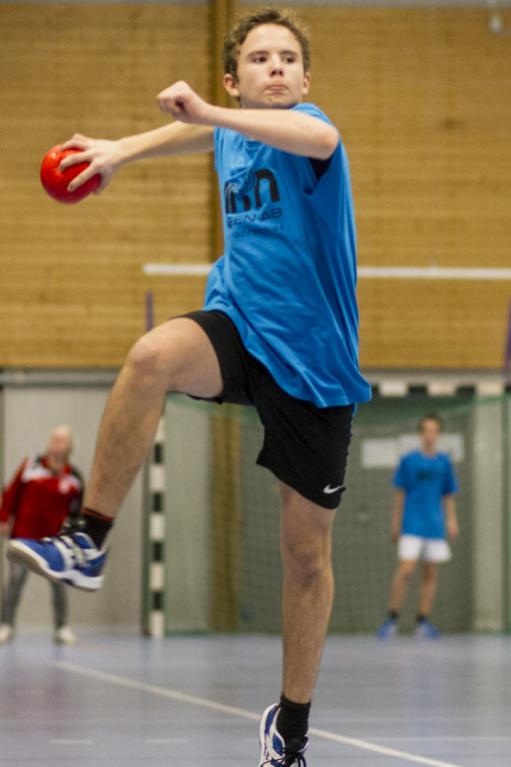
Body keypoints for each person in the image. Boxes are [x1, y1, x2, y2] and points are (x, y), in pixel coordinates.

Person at [8, 8, 371, 765]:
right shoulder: (230, 130)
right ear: (235, 79)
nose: (276, 66)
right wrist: (120, 150)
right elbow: (199, 136)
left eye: (288, 58)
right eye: (260, 59)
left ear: (305, 80)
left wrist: (207, 112)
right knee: (151, 356)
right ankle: (89, 539)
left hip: (315, 362)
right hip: (240, 326)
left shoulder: (309, 130)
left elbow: (313, 138)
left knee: (305, 554)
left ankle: (291, 729)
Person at [377, 414, 459, 640]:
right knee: (406, 570)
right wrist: (396, 523)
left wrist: (451, 520)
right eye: (426, 430)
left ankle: (423, 620)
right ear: (420, 433)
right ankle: (392, 618)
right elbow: (400, 494)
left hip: (435, 525)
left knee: (430, 572)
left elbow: (448, 494)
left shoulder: (444, 462)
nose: (430, 435)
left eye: (434, 430)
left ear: (438, 434)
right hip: (411, 523)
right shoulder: (409, 461)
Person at [0, 426, 83, 645]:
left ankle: (62, 628)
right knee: (14, 582)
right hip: (23, 537)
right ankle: (6, 625)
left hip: (53, 543)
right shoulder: (31, 465)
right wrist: (3, 518)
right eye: (53, 439)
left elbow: (77, 513)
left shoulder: (74, 479)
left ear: (69, 447)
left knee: (59, 584)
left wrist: (72, 537)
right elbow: (11, 492)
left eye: (61, 441)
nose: (56, 444)